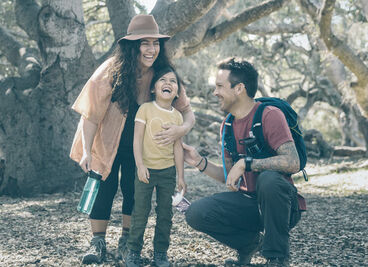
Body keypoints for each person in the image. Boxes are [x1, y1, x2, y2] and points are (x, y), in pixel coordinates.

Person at [69, 15, 195, 264]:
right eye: (144, 43)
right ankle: (98, 242)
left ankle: (127, 241)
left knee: (134, 191)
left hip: (142, 149)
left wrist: (182, 130)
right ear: (131, 46)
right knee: (103, 190)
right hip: (105, 143)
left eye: (155, 43)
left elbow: (187, 112)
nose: (151, 49)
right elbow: (90, 116)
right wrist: (86, 151)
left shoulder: (164, 74)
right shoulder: (110, 71)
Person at [183, 58, 306, 267]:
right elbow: (231, 177)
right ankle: (249, 244)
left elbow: (293, 161)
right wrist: (199, 162)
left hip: (283, 206)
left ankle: (277, 258)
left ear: (239, 88)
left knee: (268, 180)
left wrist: (247, 164)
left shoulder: (270, 115)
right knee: (196, 213)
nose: (215, 92)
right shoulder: (227, 125)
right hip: (249, 204)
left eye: (220, 86)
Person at [124, 67, 187, 267]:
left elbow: (178, 147)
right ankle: (133, 251)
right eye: (162, 80)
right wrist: (140, 165)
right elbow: (137, 140)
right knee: (140, 213)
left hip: (167, 172)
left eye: (173, 81)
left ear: (177, 92)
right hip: (146, 171)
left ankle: (160, 253)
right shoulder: (145, 109)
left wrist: (181, 176)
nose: (168, 83)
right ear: (153, 88)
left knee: (165, 214)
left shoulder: (177, 117)